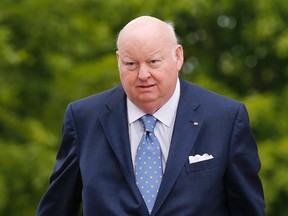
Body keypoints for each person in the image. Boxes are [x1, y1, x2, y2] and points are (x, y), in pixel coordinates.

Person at [36, 16, 265, 215]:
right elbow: (57, 208)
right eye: (131, 64)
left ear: (178, 57)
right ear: (118, 61)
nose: (143, 74)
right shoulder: (83, 119)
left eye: (153, 61)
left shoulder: (225, 118)